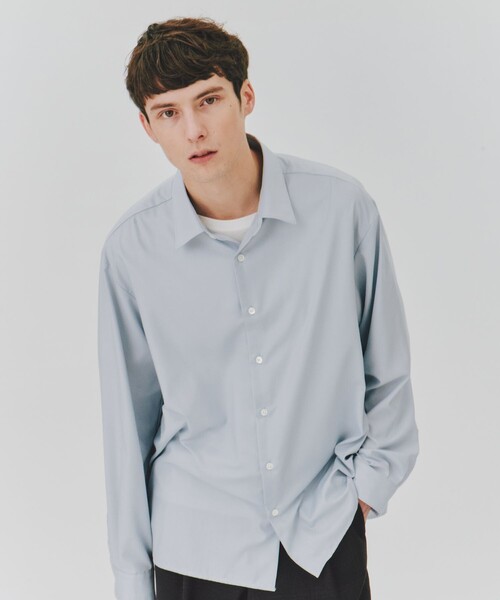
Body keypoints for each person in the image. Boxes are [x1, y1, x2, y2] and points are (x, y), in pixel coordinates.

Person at [97, 16, 419, 600]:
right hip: (194, 545)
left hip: (320, 533)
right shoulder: (132, 249)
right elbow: (127, 425)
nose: (194, 130)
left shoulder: (341, 209)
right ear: (147, 126)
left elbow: (387, 367)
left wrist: (366, 490)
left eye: (209, 100)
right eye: (168, 113)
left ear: (245, 97)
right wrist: (133, 579)